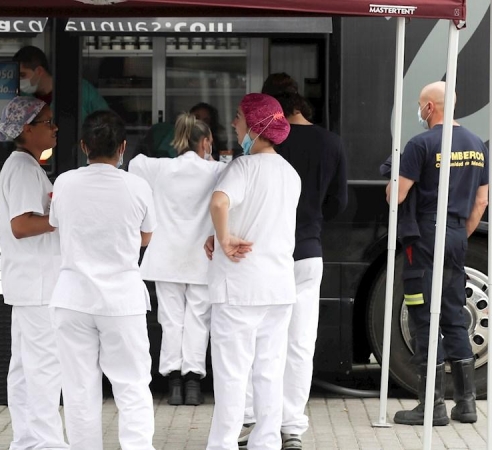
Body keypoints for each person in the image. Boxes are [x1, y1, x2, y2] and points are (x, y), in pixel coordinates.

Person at [238, 76, 349, 449]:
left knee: (258, 341)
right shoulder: (330, 142)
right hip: (308, 251)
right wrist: (312, 220)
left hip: (265, 254)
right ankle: (292, 427)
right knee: (300, 343)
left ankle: (252, 418)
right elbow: (339, 203)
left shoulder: (268, 144)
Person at [49, 110, 157, 450]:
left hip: (72, 299)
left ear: (84, 146)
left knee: (79, 389)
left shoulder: (64, 182)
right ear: (123, 147)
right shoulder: (137, 186)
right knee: (133, 385)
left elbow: (57, 223)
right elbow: (146, 237)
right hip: (121, 302)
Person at [204, 93, 300, 450]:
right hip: (278, 287)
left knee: (232, 375)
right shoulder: (290, 174)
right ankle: (266, 443)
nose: (234, 124)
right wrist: (219, 234)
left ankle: (224, 444)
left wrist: (224, 237)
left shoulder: (241, 168)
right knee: (270, 372)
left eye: (239, 119)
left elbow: (219, 201)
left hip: (239, 287)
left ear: (256, 127)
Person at [390, 81, 489, 426]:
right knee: (453, 314)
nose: (419, 111)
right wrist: (459, 234)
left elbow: (397, 197)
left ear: (430, 107)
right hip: (457, 236)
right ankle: (466, 405)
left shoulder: (421, 144)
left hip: (425, 236)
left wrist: (393, 174)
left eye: (420, 105)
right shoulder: (477, 144)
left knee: (422, 317)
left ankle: (430, 408)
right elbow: (482, 200)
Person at [128, 113, 226, 406]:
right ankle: (193, 382)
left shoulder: (160, 168)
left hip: (166, 257)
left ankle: (173, 383)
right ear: (206, 142)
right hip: (201, 259)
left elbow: (134, 163)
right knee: (198, 319)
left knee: (171, 320)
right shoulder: (216, 171)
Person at [0, 96, 68, 449]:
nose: (55, 128)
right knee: (43, 368)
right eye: (48, 122)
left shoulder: (24, 165)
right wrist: (61, 217)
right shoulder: (23, 167)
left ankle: (27, 441)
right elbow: (22, 225)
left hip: (28, 283)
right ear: (27, 129)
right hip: (38, 285)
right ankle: (47, 442)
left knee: (25, 369)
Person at [14, 45, 109, 120]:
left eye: (22, 75)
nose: (19, 80)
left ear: (39, 71)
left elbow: (106, 122)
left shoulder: (80, 89)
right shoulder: (22, 98)